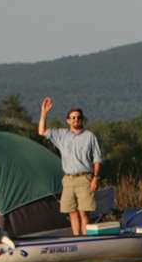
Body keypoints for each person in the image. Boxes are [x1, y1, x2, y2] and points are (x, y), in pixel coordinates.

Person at [38, 98, 104, 237]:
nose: (76, 120)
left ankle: (86, 240)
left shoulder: (89, 136)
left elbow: (97, 159)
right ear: (68, 120)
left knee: (84, 212)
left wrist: (95, 179)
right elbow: (41, 131)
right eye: (73, 118)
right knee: (72, 212)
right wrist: (44, 112)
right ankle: (76, 239)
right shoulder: (61, 135)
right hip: (68, 180)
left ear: (82, 120)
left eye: (78, 118)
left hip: (84, 179)